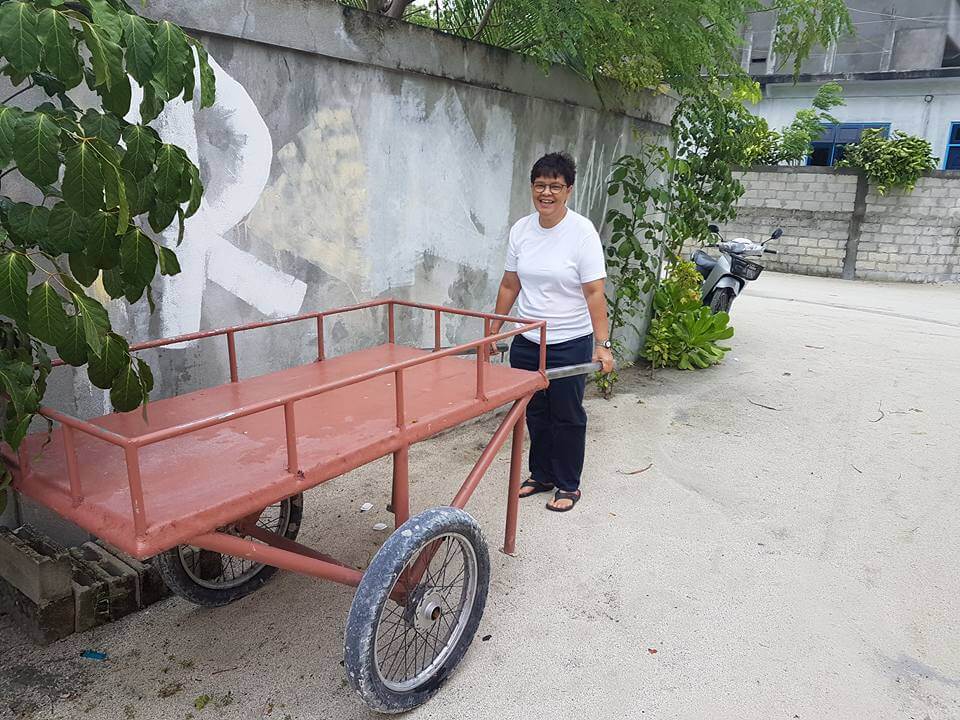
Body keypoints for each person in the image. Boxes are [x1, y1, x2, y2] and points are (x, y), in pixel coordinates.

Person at [489, 152, 614, 512]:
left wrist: (602, 345)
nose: (546, 192)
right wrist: (494, 332)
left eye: (555, 186)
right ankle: (541, 474)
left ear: (568, 190)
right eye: (540, 185)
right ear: (532, 188)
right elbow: (509, 285)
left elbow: (594, 292)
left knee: (567, 414)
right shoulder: (521, 230)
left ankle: (568, 483)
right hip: (527, 340)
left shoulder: (581, 233)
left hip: (569, 341)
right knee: (534, 412)